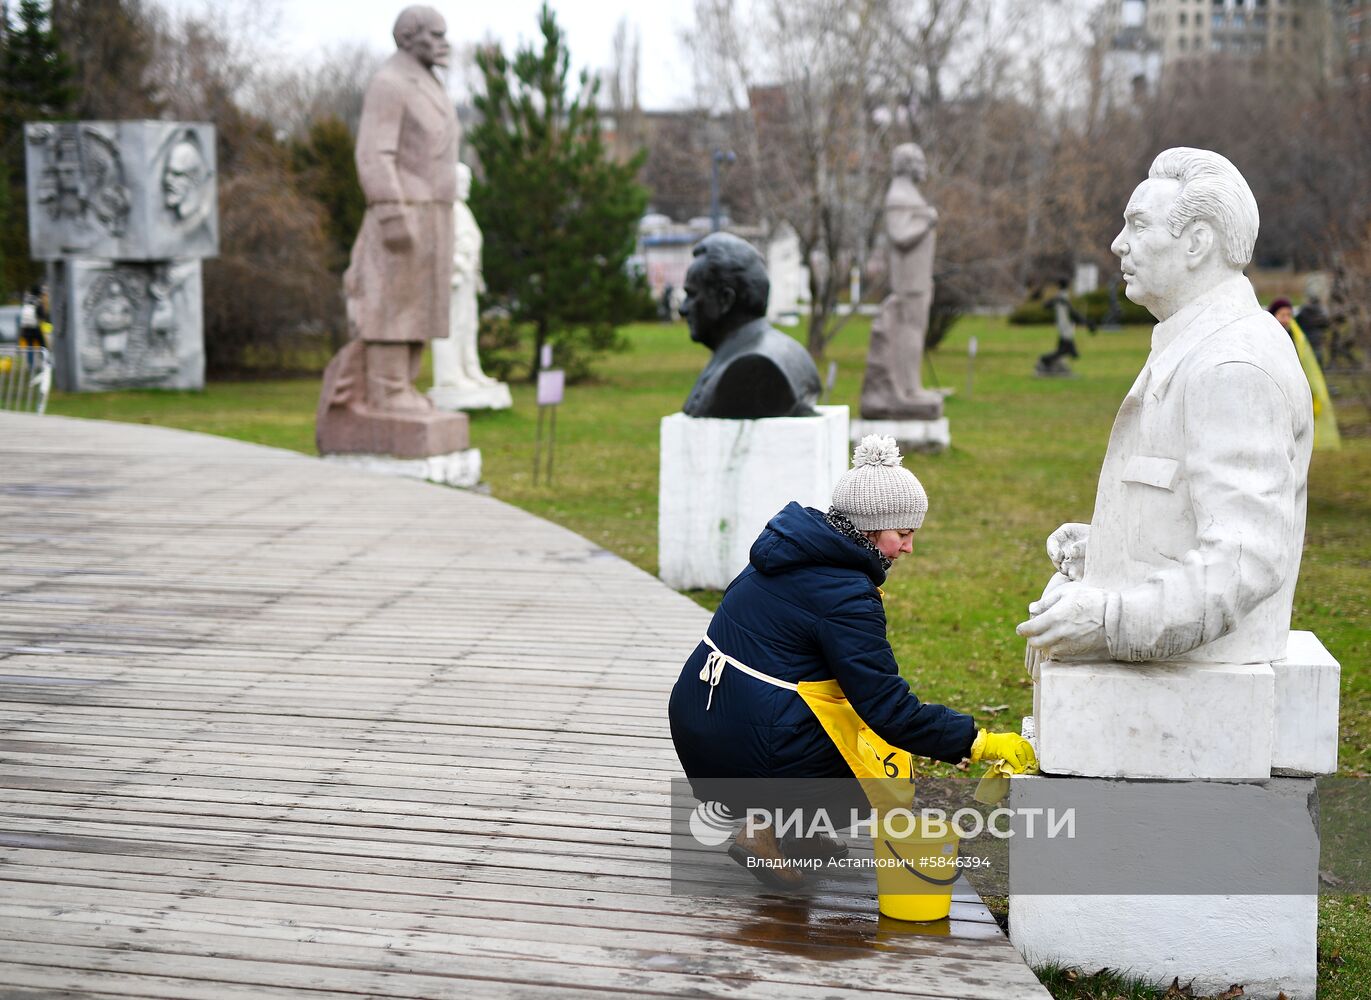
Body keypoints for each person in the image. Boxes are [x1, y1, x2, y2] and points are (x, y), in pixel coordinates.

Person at [669, 434, 1035, 887]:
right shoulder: (846, 595)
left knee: (831, 717)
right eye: (903, 534)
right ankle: (763, 830)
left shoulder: (785, 551)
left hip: (699, 727)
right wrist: (977, 742)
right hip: (750, 746)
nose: (909, 548)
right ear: (870, 528)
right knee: (885, 764)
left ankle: (801, 834)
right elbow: (889, 710)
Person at [1018, 148, 1312, 666]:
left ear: (1197, 243)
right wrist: (1108, 548)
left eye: (1138, 225)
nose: (1119, 243)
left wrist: (1110, 621)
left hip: (1210, 669)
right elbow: (1192, 505)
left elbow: (1244, 560)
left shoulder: (1231, 366)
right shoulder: (1195, 342)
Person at [679, 232, 821, 419]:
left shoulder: (752, 369)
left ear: (725, 299)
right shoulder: (790, 350)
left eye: (692, 295)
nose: (683, 309)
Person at [1035, 279, 1096, 376]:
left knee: (1066, 351)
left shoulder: (1059, 297)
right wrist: (1086, 322)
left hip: (1063, 329)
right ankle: (1045, 360)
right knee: (1068, 352)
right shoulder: (1063, 298)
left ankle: (1050, 363)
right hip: (1066, 330)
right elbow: (1073, 314)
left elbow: (1047, 305)